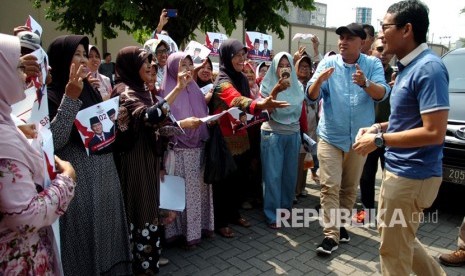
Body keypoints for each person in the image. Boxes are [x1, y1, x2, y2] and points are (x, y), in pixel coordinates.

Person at [353, 1, 449, 274]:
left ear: (407, 29)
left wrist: (380, 141)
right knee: (400, 239)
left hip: (413, 175)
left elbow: (434, 132)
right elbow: (405, 121)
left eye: (385, 27)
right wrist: (378, 129)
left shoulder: (429, 69)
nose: (381, 34)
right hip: (401, 172)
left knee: (392, 251)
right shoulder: (408, 66)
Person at [47, 35, 132, 275]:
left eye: (86, 54)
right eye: (78, 54)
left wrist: (118, 120)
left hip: (106, 180)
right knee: (84, 243)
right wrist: (70, 98)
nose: (84, 60)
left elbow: (104, 134)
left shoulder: (92, 92)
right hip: (80, 187)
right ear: (62, 59)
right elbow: (53, 141)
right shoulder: (51, 96)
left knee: (108, 237)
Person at [307, 22, 390, 256]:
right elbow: (311, 97)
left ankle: (341, 224)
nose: (343, 41)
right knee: (329, 185)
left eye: (349, 38)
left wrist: (365, 83)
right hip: (330, 136)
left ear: (362, 42)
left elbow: (382, 94)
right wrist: (318, 82)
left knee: (349, 187)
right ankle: (330, 235)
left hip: (359, 139)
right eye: (341, 37)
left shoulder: (372, 64)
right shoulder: (328, 62)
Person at [0, 32, 76, 276]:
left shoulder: (7, 117)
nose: (25, 73)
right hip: (19, 258)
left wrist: (16, 128)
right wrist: (67, 180)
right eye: (18, 64)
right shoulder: (50, 97)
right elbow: (23, 215)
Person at [112, 46, 192, 274]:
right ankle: (139, 265)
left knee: (148, 209)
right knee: (140, 210)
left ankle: (147, 262)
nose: (150, 65)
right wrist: (178, 88)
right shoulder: (124, 92)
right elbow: (149, 117)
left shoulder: (142, 90)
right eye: (144, 61)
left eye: (151, 61)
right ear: (130, 66)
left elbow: (156, 123)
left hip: (148, 160)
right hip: (134, 162)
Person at [209, 39, 289, 238]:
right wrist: (259, 106)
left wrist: (263, 103)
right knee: (224, 184)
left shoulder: (242, 78)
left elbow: (249, 101)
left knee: (239, 180)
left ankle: (234, 214)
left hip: (242, 136)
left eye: (243, 55)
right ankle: (221, 222)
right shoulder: (222, 80)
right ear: (227, 56)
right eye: (236, 55)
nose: (240, 59)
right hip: (224, 141)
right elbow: (236, 99)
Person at [160, 52, 214, 249]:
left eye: (190, 65)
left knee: (197, 195)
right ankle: (180, 234)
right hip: (178, 152)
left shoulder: (196, 89)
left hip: (198, 150)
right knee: (181, 195)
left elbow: (202, 114)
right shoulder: (165, 91)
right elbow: (161, 126)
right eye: (182, 65)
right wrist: (183, 125)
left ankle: (198, 230)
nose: (187, 69)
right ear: (173, 67)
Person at [260, 52, 305, 229]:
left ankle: (286, 210)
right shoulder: (267, 84)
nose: (284, 68)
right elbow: (266, 112)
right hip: (273, 134)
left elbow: (299, 112)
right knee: (273, 176)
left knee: (289, 176)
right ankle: (272, 215)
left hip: (293, 134)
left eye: (287, 65)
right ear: (275, 67)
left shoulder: (298, 86)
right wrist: (277, 90)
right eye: (280, 65)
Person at [357, 38, 394, 220]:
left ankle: (388, 212)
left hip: (391, 133)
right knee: (366, 174)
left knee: (390, 175)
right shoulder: (362, 76)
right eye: (380, 49)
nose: (384, 54)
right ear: (371, 51)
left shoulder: (398, 76)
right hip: (369, 131)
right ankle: (367, 210)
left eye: (388, 50)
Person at [294, 54, 319, 199]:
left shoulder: (312, 84)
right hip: (297, 125)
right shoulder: (292, 83)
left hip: (311, 126)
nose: (305, 69)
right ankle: (294, 190)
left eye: (307, 66)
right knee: (296, 160)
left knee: (305, 158)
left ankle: (302, 187)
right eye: (302, 66)